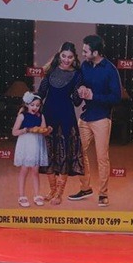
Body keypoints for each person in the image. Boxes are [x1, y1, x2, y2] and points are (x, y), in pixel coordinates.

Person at [68, 34, 122, 207]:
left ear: (96, 52)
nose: (82, 53)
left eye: (85, 50)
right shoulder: (85, 66)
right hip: (85, 117)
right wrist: (80, 89)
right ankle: (85, 187)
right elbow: (79, 87)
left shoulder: (110, 70)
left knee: (102, 158)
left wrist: (94, 95)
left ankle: (103, 193)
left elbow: (116, 97)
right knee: (77, 151)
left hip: (102, 119)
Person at [38, 42, 84, 205]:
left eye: (70, 57)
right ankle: (51, 190)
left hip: (66, 116)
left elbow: (77, 102)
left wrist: (81, 91)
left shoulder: (78, 74)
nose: (66, 59)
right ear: (59, 55)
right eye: (64, 56)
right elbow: (41, 94)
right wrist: (31, 105)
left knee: (65, 154)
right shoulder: (50, 71)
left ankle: (59, 193)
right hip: (48, 114)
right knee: (48, 153)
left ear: (74, 58)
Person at [12, 92, 50, 207]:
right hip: (26, 145)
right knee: (24, 170)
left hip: (37, 145)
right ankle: (22, 196)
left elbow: (43, 131)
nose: (35, 108)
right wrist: (27, 130)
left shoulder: (41, 116)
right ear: (27, 104)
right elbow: (14, 132)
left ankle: (37, 194)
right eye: (33, 105)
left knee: (35, 171)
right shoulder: (22, 116)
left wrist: (47, 130)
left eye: (37, 106)